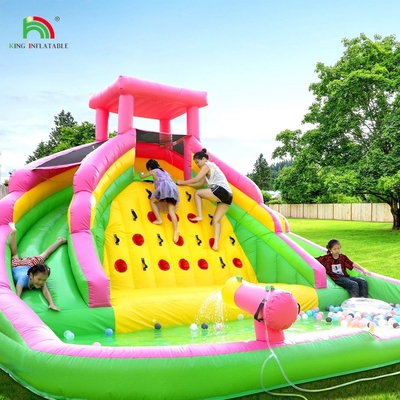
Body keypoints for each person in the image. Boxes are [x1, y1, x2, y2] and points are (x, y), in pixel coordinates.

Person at [176, 148, 233, 251]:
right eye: (195, 163)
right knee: (216, 220)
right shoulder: (209, 168)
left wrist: (182, 182)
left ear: (203, 159)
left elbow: (196, 179)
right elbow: (200, 184)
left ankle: (200, 215)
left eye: (197, 162)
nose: (197, 165)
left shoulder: (207, 165)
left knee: (197, 194)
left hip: (221, 190)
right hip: (228, 196)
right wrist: (186, 185)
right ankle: (216, 244)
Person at [9, 222, 67, 311]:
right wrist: (17, 302)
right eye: (39, 279)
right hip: (18, 265)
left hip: (30, 264)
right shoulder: (23, 279)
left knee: (46, 254)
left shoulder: (40, 278)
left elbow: (45, 291)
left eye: (44, 280)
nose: (41, 282)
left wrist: (51, 304)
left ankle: (60, 241)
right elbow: (18, 293)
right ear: (31, 275)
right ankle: (13, 233)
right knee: (14, 254)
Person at [139, 159, 180, 243]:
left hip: (164, 189)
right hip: (173, 190)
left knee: (152, 201)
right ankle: (176, 230)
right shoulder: (164, 171)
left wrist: (140, 173)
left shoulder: (153, 171)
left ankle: (159, 219)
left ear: (149, 168)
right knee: (171, 212)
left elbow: (142, 177)